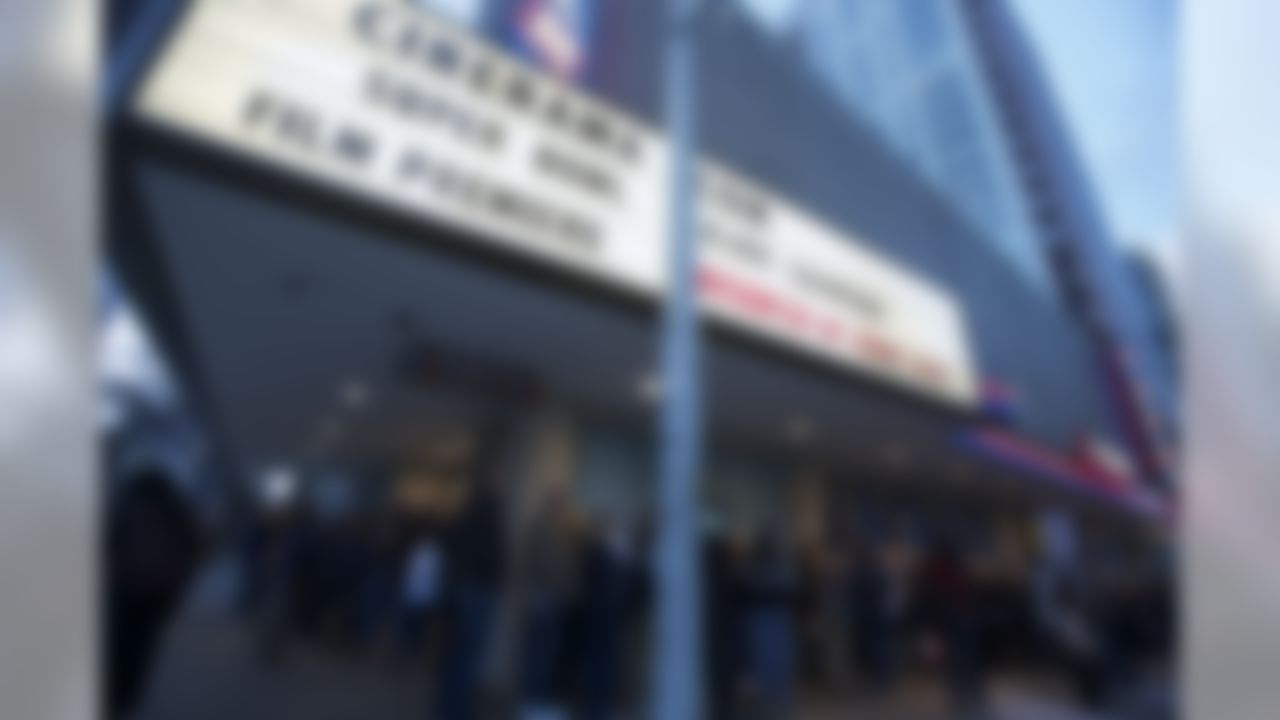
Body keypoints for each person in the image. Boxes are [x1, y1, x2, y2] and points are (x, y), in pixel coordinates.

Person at [105, 468, 203, 719]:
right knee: (142, 645)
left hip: (122, 588)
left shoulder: (126, 505)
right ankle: (126, 695)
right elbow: (193, 549)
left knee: (116, 641)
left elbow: (107, 540)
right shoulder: (177, 509)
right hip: (157, 594)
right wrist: (176, 589)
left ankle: (110, 694)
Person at [435, 472, 507, 720]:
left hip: (464, 590)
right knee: (468, 656)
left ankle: (447, 709)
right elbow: (492, 556)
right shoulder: (487, 515)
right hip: (477, 592)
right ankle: (458, 712)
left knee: (458, 654)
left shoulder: (466, 516)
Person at [913, 540, 985, 715]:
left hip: (950, 618)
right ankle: (968, 690)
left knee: (957, 657)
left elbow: (927, 596)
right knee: (965, 655)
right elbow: (967, 592)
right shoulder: (954, 569)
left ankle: (961, 692)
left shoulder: (934, 570)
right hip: (962, 617)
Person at [741, 532, 799, 719]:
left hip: (768, 622)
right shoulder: (775, 571)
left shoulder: (760, 571)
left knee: (771, 667)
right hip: (769, 623)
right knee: (770, 668)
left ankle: (772, 705)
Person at [398, 524, 444, 664]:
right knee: (411, 629)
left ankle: (407, 654)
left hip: (420, 596)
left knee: (413, 629)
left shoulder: (433, 552)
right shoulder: (428, 551)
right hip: (417, 595)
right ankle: (405, 654)